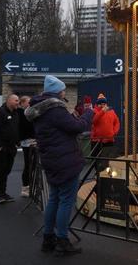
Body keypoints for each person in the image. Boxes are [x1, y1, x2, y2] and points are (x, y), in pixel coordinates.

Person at [25, 75, 93, 256]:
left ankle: (48, 239)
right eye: (63, 90)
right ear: (57, 91)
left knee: (54, 198)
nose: (64, 93)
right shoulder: (55, 109)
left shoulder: (39, 109)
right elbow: (77, 127)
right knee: (66, 201)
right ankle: (62, 239)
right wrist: (88, 114)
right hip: (65, 161)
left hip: (51, 160)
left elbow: (61, 127)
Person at [90, 93, 120, 170]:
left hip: (109, 140)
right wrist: (102, 111)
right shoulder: (94, 111)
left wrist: (114, 132)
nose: (103, 105)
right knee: (97, 161)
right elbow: (93, 121)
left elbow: (117, 122)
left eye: (104, 103)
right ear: (97, 104)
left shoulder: (111, 111)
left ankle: (107, 176)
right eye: (101, 103)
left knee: (109, 160)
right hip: (97, 141)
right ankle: (98, 176)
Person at [18, 96, 36, 198]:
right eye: (28, 102)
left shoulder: (29, 112)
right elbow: (25, 127)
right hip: (27, 141)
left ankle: (31, 186)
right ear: (22, 103)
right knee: (28, 164)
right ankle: (25, 187)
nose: (30, 104)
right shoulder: (21, 113)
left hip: (33, 140)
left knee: (33, 165)